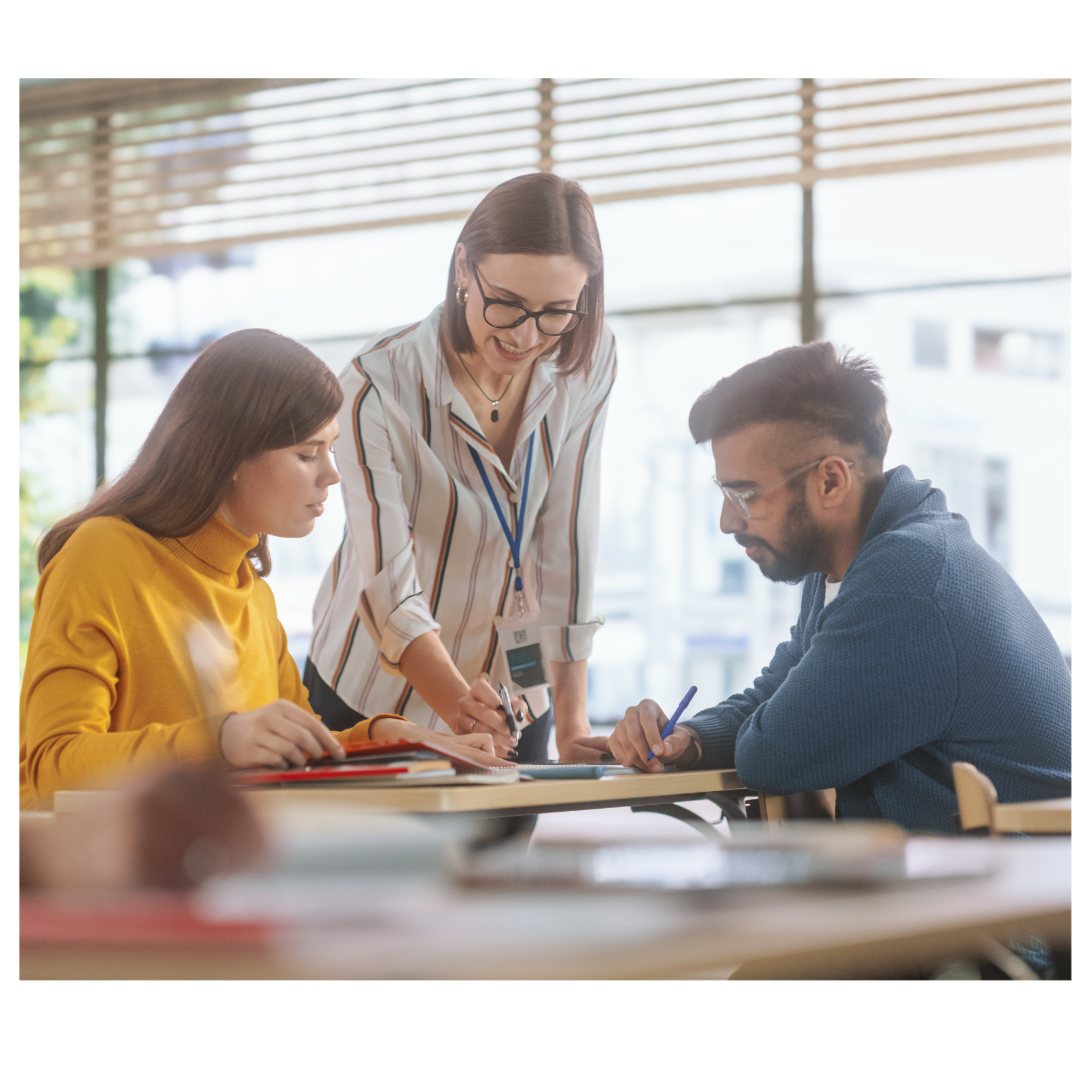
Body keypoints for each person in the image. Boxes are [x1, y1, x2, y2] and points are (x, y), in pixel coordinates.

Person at [20, 330, 500, 811]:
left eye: (332, 449)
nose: (331, 474)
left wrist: (390, 737)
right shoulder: (101, 556)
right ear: (229, 455)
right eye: (307, 454)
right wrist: (222, 740)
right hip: (112, 878)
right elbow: (50, 768)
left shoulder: (252, 593)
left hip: (218, 865)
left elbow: (303, 745)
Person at [607, 342, 1071, 834]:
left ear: (830, 481)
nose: (727, 521)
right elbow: (779, 690)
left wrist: (750, 730)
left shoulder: (908, 579)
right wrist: (689, 737)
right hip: (960, 879)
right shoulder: (850, 560)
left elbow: (775, 752)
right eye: (723, 492)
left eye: (744, 494)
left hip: (1023, 894)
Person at [305, 173, 615, 764]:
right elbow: (389, 585)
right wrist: (458, 712)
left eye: (556, 312)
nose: (526, 336)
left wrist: (573, 723)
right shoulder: (375, 388)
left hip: (515, 696)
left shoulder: (587, 361)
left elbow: (567, 543)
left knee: (498, 862)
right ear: (462, 270)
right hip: (375, 702)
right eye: (507, 305)